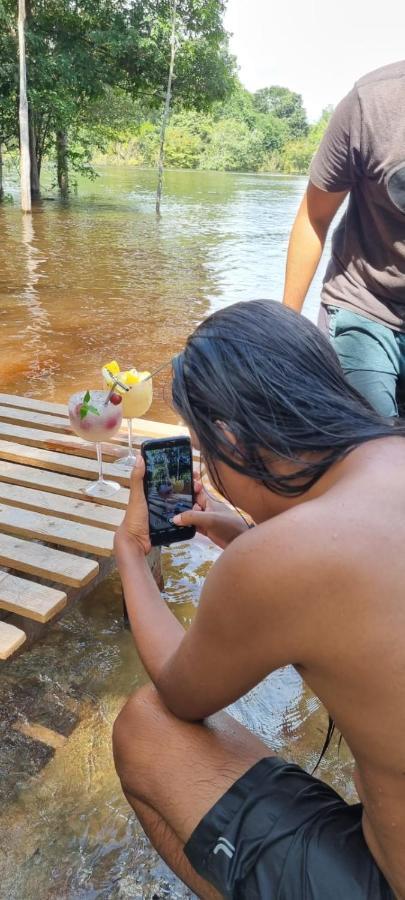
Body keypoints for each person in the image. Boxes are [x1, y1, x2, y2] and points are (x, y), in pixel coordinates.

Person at [112, 300, 405, 900]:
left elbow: (179, 689)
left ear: (228, 438)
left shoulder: (283, 560)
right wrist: (244, 536)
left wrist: (131, 550)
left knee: (145, 727)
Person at [282, 60, 405, 417]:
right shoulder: (372, 104)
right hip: (364, 303)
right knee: (367, 446)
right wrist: (285, 332)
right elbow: (314, 216)